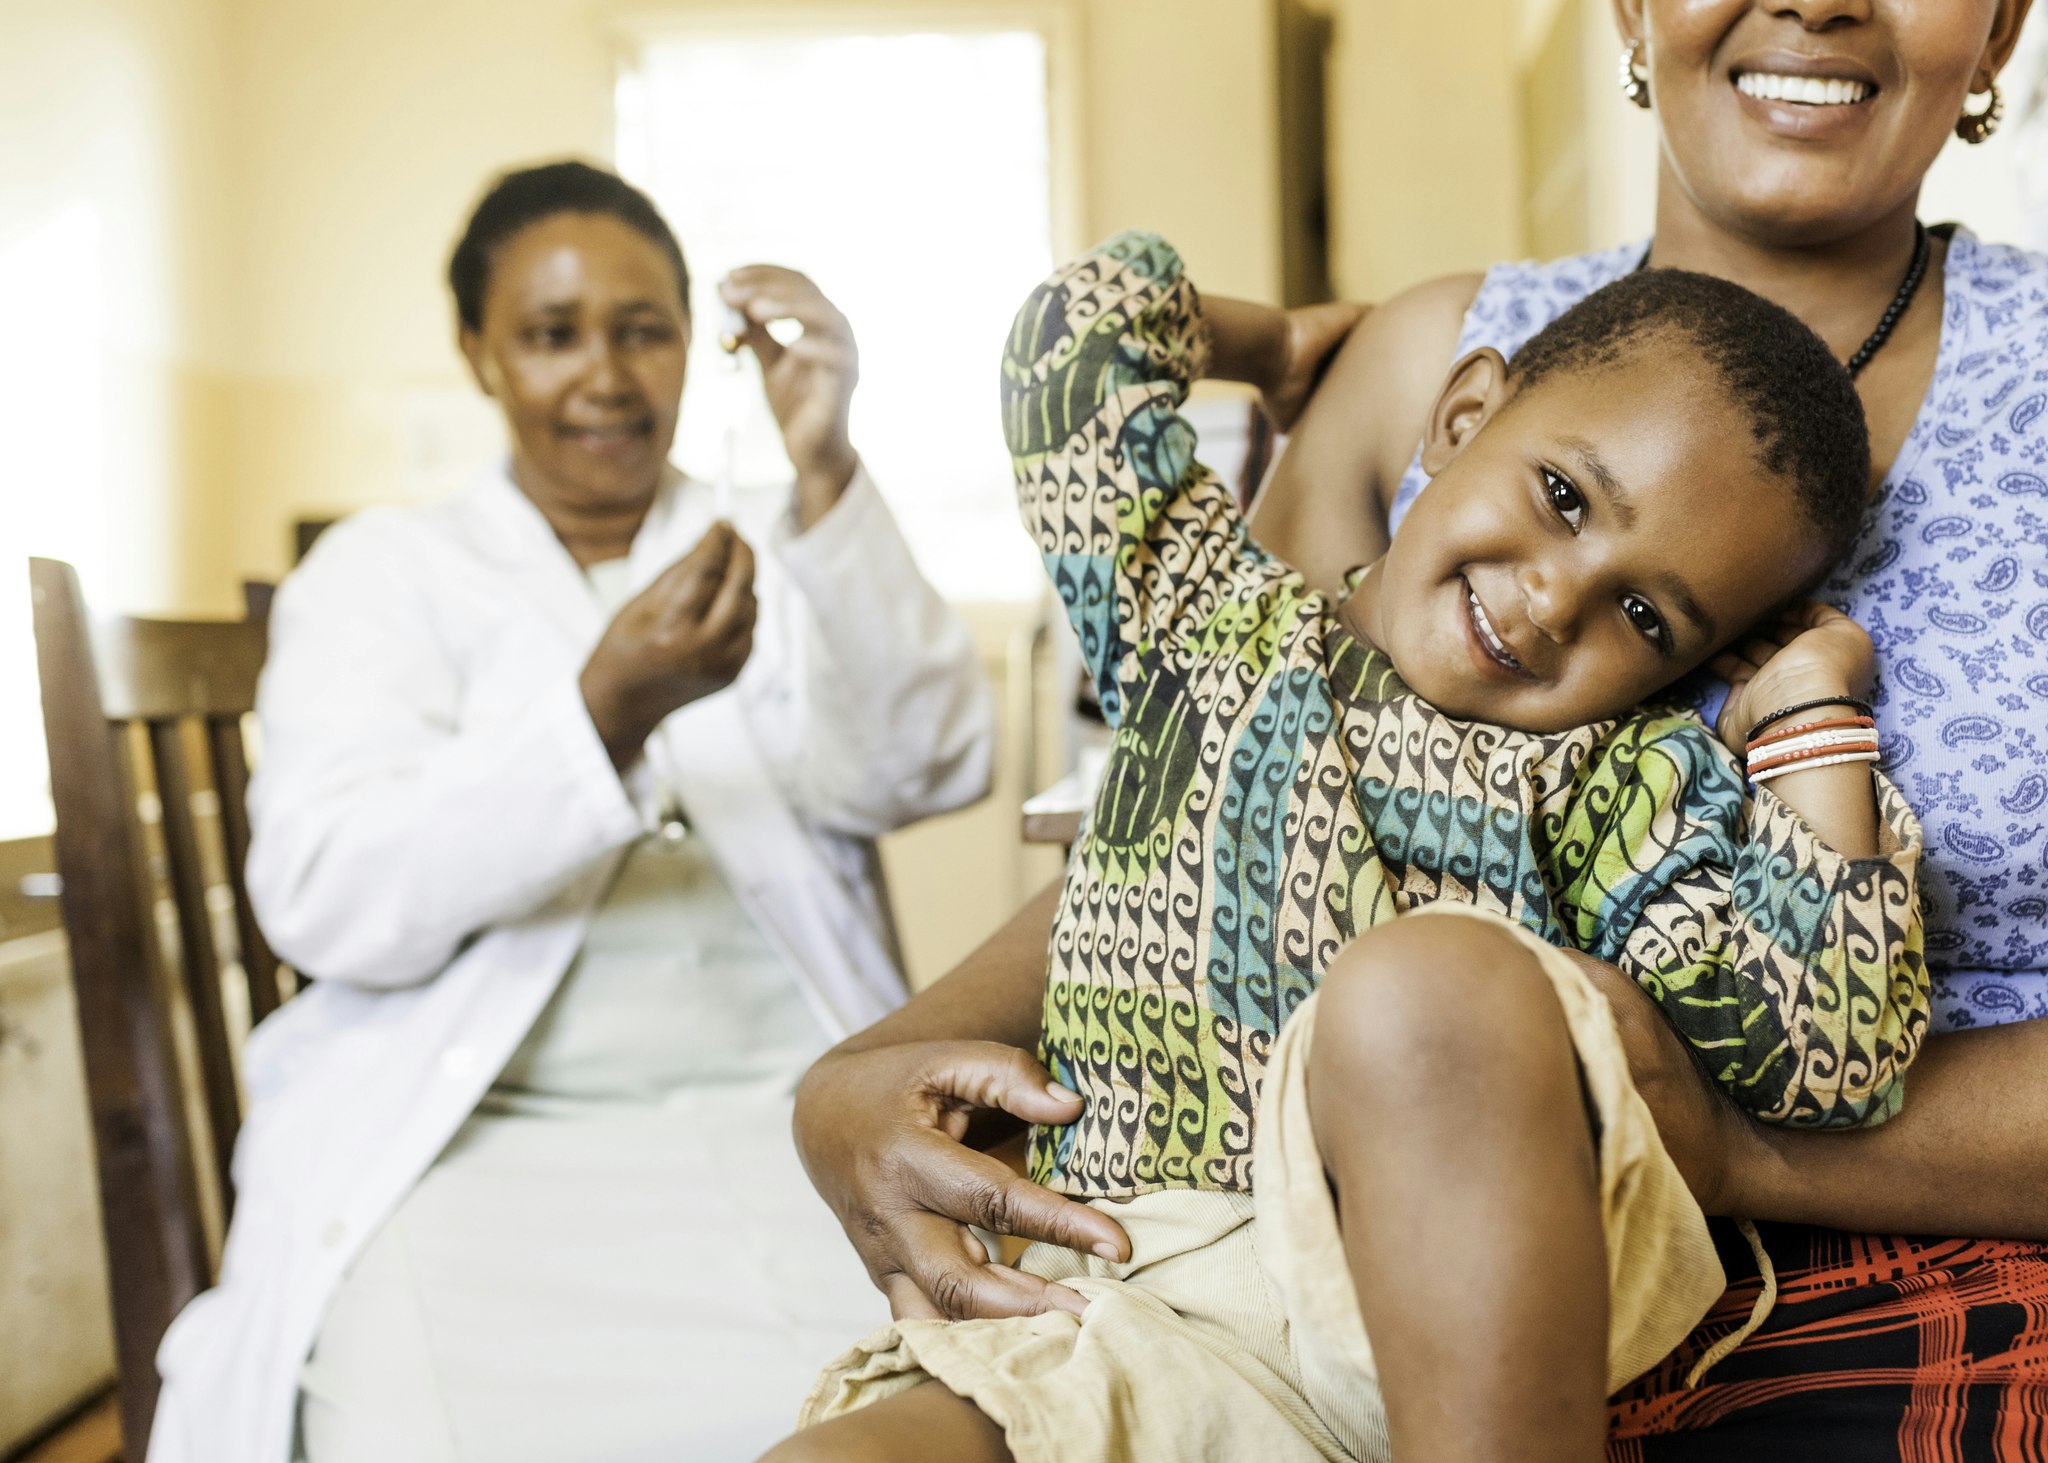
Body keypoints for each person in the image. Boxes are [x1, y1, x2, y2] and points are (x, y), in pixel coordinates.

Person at [788, 0, 2048, 1456]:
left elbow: (1820, 1027)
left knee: (1429, 988)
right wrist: (863, 1072)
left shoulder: (1619, 780)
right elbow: (1200, 809)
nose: (1553, 601)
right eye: (1564, 499)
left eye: (1652, 624)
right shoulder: (1418, 363)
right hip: (1169, 1262)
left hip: (1831, 1266)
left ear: (2005, 25)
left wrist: (1714, 1120)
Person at [143, 161, 995, 1463]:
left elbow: (932, 762)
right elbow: (325, 895)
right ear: (480, 351)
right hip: (480, 1151)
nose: (603, 374)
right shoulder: (383, 574)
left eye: (643, 330)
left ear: (689, 349)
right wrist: (601, 710)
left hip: (784, 1121)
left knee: (882, 1418)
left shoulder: (771, 535)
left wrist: (823, 467)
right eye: (551, 335)